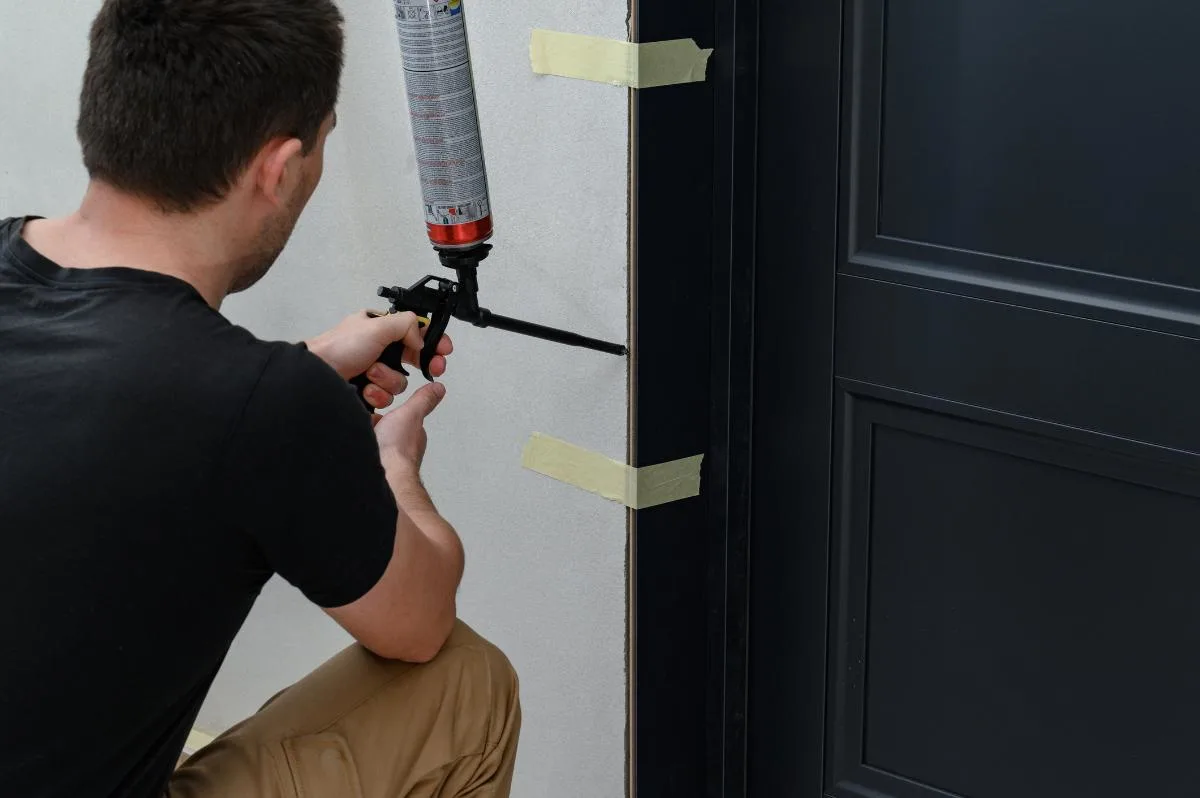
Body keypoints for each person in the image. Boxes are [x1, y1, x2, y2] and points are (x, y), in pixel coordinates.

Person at [0, 1, 520, 796]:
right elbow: (418, 627)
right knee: (466, 681)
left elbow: (107, 403)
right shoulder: (263, 407)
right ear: (276, 169)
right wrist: (391, 467)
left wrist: (300, 371)